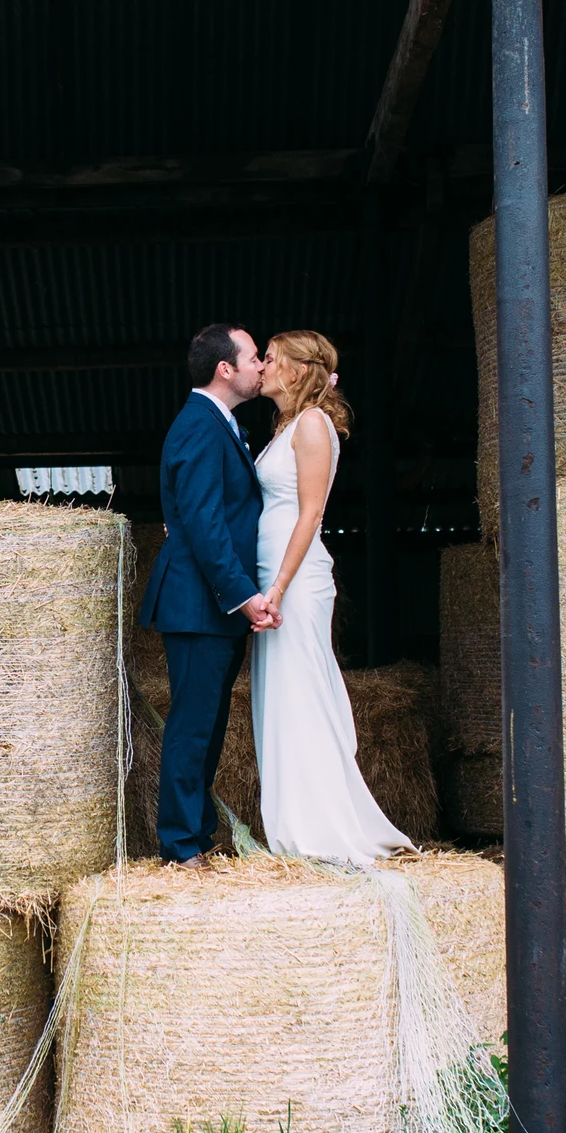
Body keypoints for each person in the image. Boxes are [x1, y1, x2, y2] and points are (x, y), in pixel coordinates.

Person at [249, 329, 412, 866]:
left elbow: (311, 514)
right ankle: (293, 819)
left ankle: (319, 826)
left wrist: (276, 588)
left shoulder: (314, 425)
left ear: (297, 369)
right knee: (282, 695)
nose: (262, 366)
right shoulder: (287, 426)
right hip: (274, 576)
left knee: (302, 691)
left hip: (293, 581)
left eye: (270, 359)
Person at [138, 324, 277, 864]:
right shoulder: (199, 425)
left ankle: (196, 836)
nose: (260, 366)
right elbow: (203, 523)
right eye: (252, 358)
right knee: (192, 727)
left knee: (209, 727)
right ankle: (178, 845)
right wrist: (242, 594)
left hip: (212, 605)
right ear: (226, 369)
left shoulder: (220, 423)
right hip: (200, 603)